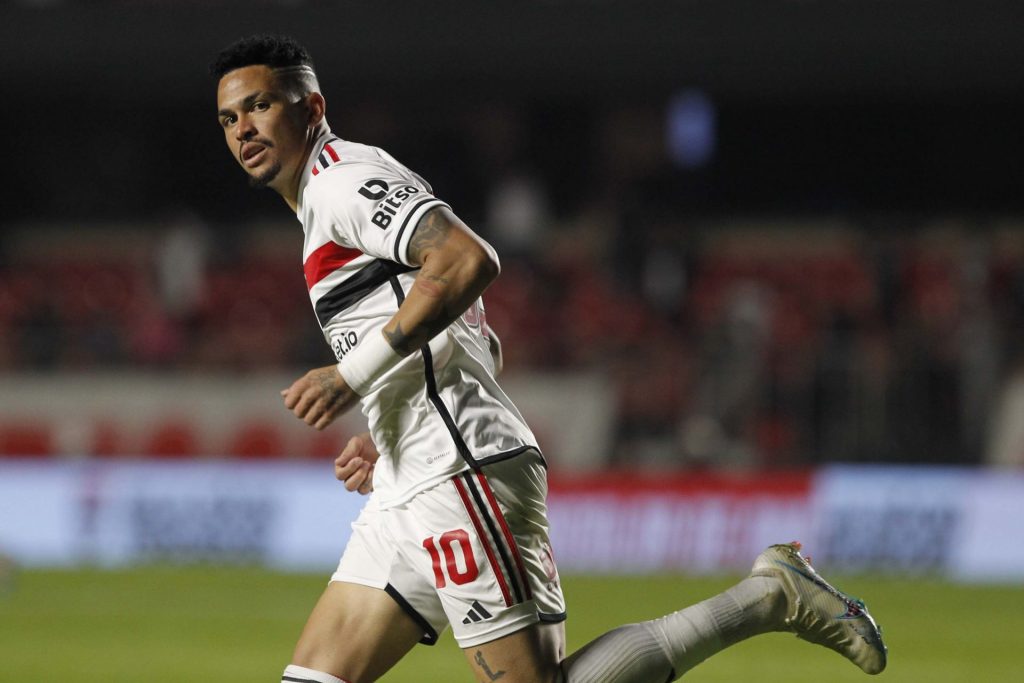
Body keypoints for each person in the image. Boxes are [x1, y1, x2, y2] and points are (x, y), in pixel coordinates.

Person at [210, 34, 887, 683]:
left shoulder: (342, 184)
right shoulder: (325, 203)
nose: (243, 128)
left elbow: (467, 260)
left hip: (457, 469)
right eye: (229, 117)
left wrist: (351, 377)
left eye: (261, 105)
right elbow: (464, 326)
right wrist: (388, 422)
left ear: (312, 107)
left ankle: (770, 596)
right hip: (410, 475)